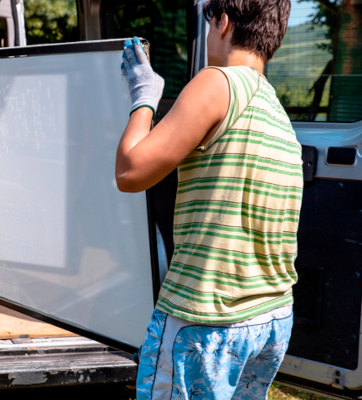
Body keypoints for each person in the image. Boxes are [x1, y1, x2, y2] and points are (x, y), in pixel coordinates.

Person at [116, 1, 302, 399]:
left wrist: (144, 96)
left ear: (223, 22)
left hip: (206, 321)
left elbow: (130, 171)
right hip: (270, 318)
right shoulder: (277, 112)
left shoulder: (217, 82)